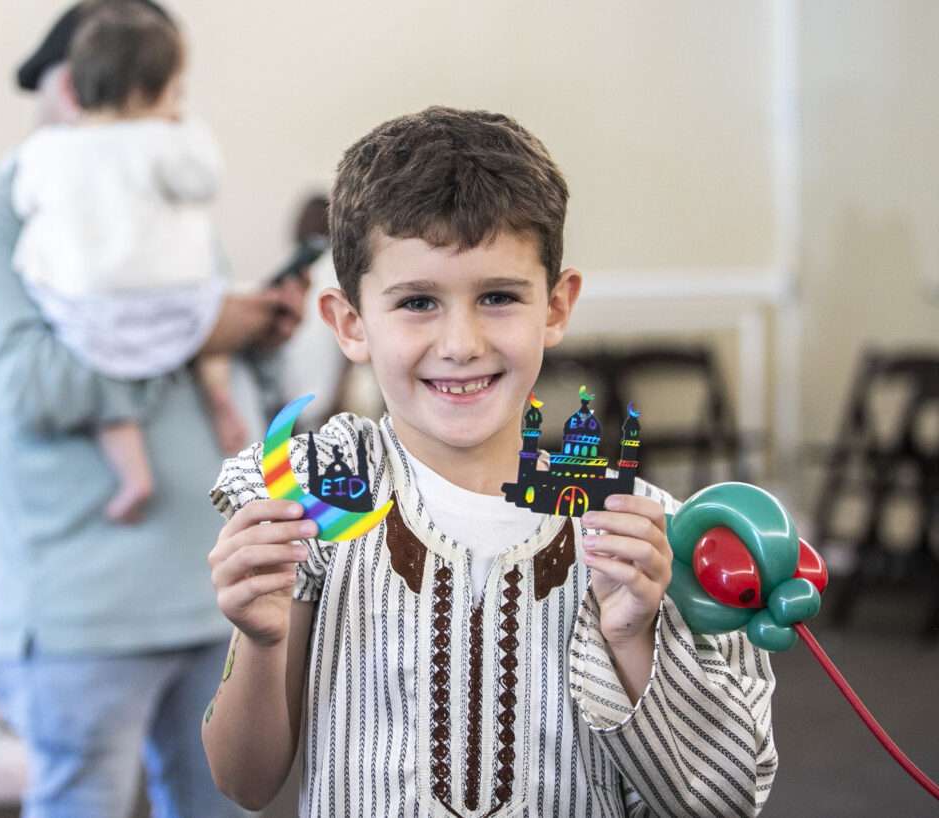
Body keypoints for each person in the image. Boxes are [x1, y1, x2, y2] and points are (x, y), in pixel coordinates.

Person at [203, 107, 778, 816]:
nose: (462, 342)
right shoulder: (311, 503)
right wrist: (262, 642)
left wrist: (633, 636)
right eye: (417, 302)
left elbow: (723, 802)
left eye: (499, 297)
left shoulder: (652, 537)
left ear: (556, 307)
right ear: (351, 323)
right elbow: (244, 780)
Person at [0, 1, 306, 816]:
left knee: (219, 803)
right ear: (74, 89)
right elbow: (21, 387)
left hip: (208, 587)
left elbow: (201, 337)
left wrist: (255, 333)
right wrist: (193, 335)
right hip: (85, 615)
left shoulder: (161, 200)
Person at [13, 1, 249, 523]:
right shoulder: (169, 141)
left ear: (74, 88)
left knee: (89, 356)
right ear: (168, 88)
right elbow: (204, 179)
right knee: (213, 292)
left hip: (90, 316)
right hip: (180, 309)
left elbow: (26, 202)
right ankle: (219, 393)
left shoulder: (47, 150)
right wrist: (182, 124)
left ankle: (131, 471)